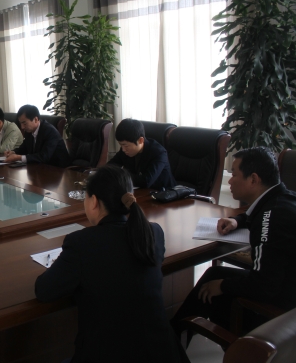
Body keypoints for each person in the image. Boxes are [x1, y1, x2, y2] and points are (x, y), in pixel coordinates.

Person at [34, 165, 187, 362]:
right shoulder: (153, 233)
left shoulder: (81, 243)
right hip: (162, 354)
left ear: (94, 202)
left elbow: (43, 290)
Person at [171, 147, 296, 335]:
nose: (229, 180)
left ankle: (174, 336)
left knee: (212, 291)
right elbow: (255, 213)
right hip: (284, 286)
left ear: (253, 179)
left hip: (280, 313)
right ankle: (175, 332)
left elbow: (264, 286)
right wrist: (237, 220)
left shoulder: (270, 219)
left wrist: (222, 286)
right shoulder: (283, 199)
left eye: (234, 174)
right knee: (214, 274)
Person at [108, 118, 176, 190]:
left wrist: (119, 175)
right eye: (121, 145)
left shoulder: (159, 153)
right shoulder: (125, 150)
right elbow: (109, 167)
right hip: (138, 191)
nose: (123, 149)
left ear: (140, 140)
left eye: (126, 146)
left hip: (163, 193)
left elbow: (146, 181)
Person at [4, 104, 71, 167]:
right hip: (40, 168)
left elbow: (44, 156)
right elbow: (24, 148)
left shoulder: (50, 131)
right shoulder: (29, 131)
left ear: (35, 119)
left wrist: (19, 157)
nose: (22, 127)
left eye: (24, 123)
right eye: (20, 123)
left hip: (58, 169)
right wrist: (13, 152)